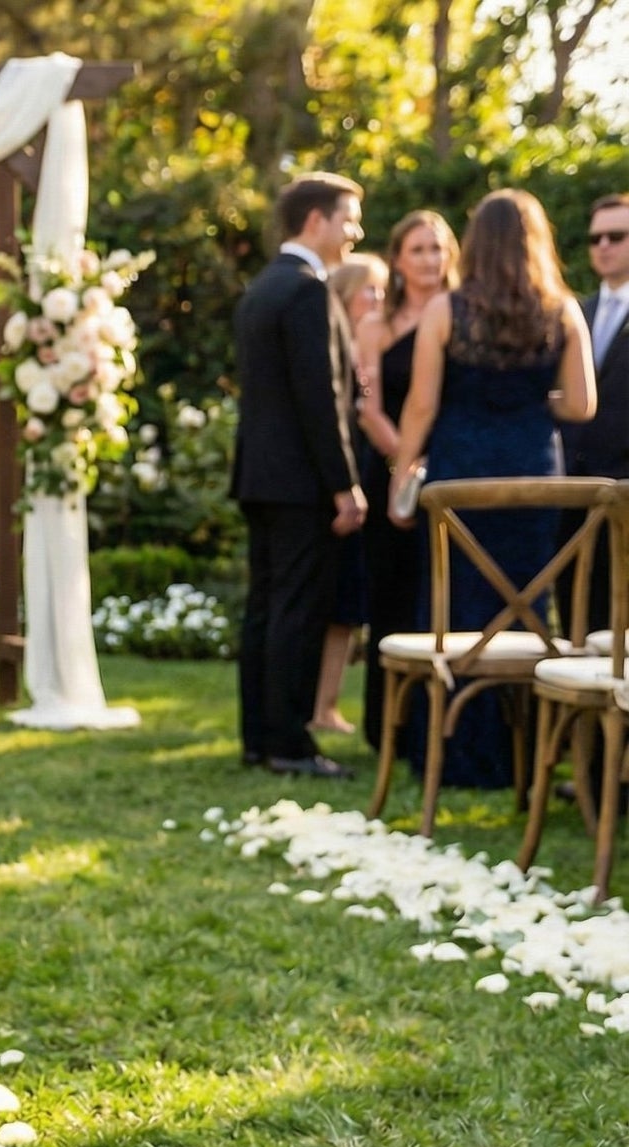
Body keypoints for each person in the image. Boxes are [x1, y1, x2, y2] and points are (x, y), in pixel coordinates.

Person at [388, 188, 598, 788]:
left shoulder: (446, 311)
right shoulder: (561, 309)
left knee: (456, 610)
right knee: (527, 608)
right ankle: (523, 753)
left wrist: (402, 476)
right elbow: (582, 404)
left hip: (462, 475)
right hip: (534, 477)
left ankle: (452, 753)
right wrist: (532, 400)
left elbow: (422, 405)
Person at [232, 172, 368, 778]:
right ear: (316, 220)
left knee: (264, 608)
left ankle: (259, 738)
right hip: (300, 483)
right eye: (349, 218)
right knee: (296, 611)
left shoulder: (261, 288)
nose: (355, 231)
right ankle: (289, 744)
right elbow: (321, 397)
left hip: (259, 477)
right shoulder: (308, 290)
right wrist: (345, 484)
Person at [355, 210, 460, 751]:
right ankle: (388, 727)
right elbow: (368, 408)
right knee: (391, 596)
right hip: (391, 472)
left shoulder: (464, 318)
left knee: (442, 595)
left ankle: (441, 724)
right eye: (418, 249)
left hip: (454, 472)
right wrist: (405, 460)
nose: (429, 259)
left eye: (437, 249)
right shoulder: (376, 326)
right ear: (397, 259)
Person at [312, 253, 389, 736]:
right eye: (370, 290)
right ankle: (318, 706)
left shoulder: (378, 344)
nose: (378, 300)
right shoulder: (335, 347)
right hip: (344, 479)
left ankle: (328, 704)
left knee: (348, 606)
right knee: (332, 600)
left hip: (373, 478)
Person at [556, 192, 629, 638]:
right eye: (595, 238)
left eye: (616, 236)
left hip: (626, 492)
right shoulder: (573, 312)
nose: (603, 245)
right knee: (574, 622)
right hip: (572, 493)